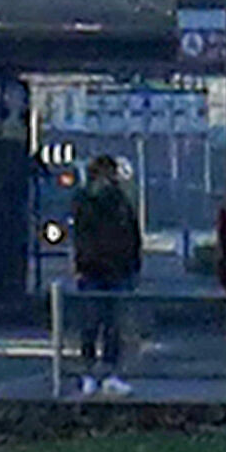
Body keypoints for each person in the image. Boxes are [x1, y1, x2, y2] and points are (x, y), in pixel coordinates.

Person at [65, 154, 145, 383]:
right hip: (96, 269)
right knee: (93, 322)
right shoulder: (88, 200)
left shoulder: (119, 200)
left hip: (115, 269)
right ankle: (90, 370)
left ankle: (107, 371)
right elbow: (86, 233)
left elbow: (131, 234)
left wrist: (133, 263)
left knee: (112, 324)